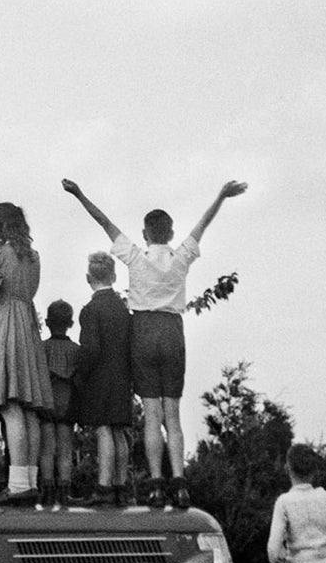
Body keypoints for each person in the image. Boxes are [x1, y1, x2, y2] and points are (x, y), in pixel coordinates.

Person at [62, 175, 246, 508]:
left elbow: (104, 220)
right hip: (173, 330)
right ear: (172, 233)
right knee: (172, 414)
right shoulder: (182, 256)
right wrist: (221, 196)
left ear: (146, 233)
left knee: (152, 412)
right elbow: (203, 224)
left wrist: (79, 194)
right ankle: (180, 483)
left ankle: (157, 484)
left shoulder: (135, 256)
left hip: (144, 331)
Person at [0, 203, 52, 505]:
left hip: (4, 324)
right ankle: (28, 479)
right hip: (28, 326)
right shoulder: (33, 257)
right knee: (29, 408)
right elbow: (28, 293)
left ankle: (17, 485)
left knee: (10, 405)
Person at [73, 251, 134, 507]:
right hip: (122, 377)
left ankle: (104, 487)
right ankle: (122, 487)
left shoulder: (90, 310)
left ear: (88, 278)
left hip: (100, 378)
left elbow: (90, 349)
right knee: (119, 431)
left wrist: (80, 374)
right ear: (114, 275)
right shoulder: (123, 309)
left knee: (103, 430)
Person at [38, 299, 82, 508]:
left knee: (46, 450)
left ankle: (47, 492)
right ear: (71, 323)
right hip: (68, 405)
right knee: (65, 451)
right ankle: (64, 492)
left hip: (46, 404)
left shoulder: (42, 348)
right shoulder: (76, 350)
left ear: (47, 322)